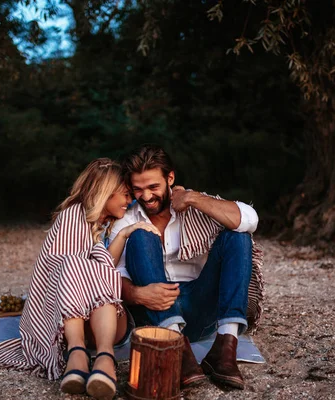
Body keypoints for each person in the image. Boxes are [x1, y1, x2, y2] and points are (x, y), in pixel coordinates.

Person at [0, 158, 159, 400]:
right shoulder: (73, 217)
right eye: (124, 194)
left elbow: (100, 270)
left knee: (93, 273)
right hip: (75, 324)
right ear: (106, 192)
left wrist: (124, 233)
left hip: (105, 324)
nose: (129, 200)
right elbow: (62, 273)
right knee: (74, 265)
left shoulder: (104, 223)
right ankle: (84, 355)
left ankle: (95, 357)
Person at [109, 145, 264, 390]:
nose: (146, 196)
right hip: (154, 313)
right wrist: (137, 294)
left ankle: (225, 348)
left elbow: (250, 218)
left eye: (153, 187)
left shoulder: (197, 206)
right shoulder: (126, 220)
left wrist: (193, 198)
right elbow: (110, 273)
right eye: (138, 189)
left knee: (238, 236)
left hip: (200, 305)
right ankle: (177, 349)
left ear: (170, 178)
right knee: (139, 236)